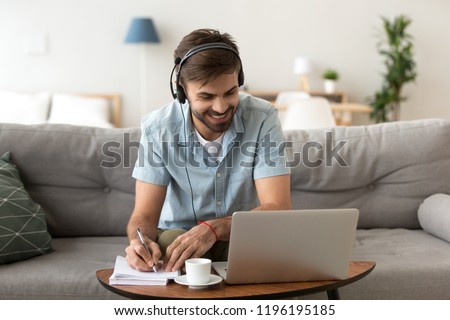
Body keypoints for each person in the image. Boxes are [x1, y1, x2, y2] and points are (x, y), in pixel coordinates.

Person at [125, 28, 291, 273]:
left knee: (272, 251)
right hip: (177, 240)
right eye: (206, 96)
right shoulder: (157, 128)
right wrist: (138, 242)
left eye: (230, 92)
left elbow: (278, 207)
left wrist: (214, 229)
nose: (221, 106)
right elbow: (144, 216)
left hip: (239, 237)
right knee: (171, 242)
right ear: (181, 90)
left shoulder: (263, 118)